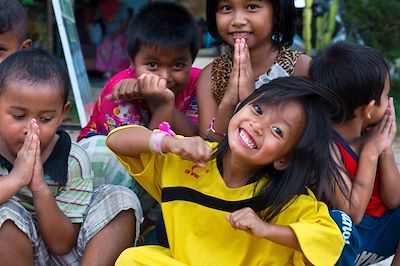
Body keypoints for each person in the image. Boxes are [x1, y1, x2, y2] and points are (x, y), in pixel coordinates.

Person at [107, 76, 346, 265]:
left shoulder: (288, 201)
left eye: (277, 131)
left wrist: (268, 230)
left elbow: (330, 241)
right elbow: (117, 140)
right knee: (133, 260)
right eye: (259, 110)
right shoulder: (188, 156)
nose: (257, 126)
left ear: (284, 159)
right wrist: (169, 143)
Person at [0, 49, 142, 265]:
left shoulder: (73, 160)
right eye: (19, 116)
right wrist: (17, 178)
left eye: (46, 118)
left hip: (65, 253)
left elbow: (62, 244)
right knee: (4, 212)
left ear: (62, 114)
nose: (32, 128)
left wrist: (39, 187)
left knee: (120, 198)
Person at [78, 0, 200, 240]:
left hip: (162, 175)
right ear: (132, 62)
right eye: (152, 65)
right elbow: (142, 160)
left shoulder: (198, 82)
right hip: (111, 172)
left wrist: (163, 104)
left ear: (192, 61)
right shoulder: (119, 88)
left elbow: (198, 136)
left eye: (178, 65)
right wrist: (164, 106)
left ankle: (152, 226)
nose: (164, 77)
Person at [309, 41, 400, 265]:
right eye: (386, 94)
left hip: (379, 234)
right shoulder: (326, 147)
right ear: (369, 109)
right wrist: (370, 154)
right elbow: (352, 214)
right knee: (337, 222)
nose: (389, 101)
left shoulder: (372, 134)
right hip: (347, 242)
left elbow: (394, 199)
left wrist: (385, 148)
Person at [196, 0, 311, 141]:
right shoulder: (210, 77)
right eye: (226, 8)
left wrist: (250, 98)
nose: (238, 20)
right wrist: (228, 104)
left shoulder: (301, 69)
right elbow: (208, 149)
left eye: (252, 7)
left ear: (277, 13)